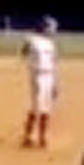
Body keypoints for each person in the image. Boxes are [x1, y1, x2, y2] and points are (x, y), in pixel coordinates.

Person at [20, 15, 60, 148]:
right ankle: (28, 136)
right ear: (44, 27)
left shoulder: (51, 44)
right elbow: (24, 53)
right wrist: (27, 45)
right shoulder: (33, 40)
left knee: (47, 108)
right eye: (52, 28)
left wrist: (55, 83)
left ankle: (43, 137)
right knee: (37, 107)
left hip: (49, 75)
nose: (54, 31)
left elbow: (54, 63)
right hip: (38, 75)